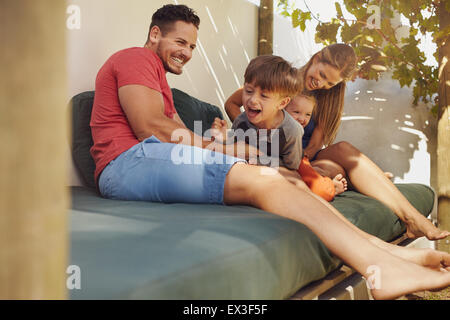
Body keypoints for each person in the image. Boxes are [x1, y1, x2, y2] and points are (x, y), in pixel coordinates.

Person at [90, 4, 450, 299]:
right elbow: (151, 128)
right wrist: (226, 145)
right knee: (265, 176)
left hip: (148, 160)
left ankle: (388, 254)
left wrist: (222, 145)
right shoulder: (136, 58)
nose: (186, 52)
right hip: (127, 164)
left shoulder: (155, 74)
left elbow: (171, 134)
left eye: (192, 46)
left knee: (289, 180)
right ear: (155, 34)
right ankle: (382, 269)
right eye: (180, 42)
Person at [224, 44, 450, 241]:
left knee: (343, 154)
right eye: (321, 74)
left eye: (329, 82)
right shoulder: (281, 80)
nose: (320, 83)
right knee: (334, 170)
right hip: (275, 153)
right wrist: (253, 131)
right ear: (316, 58)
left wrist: (305, 161)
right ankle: (362, 179)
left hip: (303, 155)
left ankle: (412, 218)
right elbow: (232, 103)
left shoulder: (328, 97)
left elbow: (314, 146)